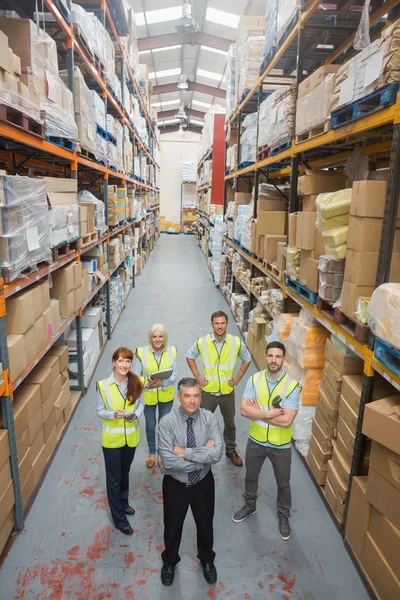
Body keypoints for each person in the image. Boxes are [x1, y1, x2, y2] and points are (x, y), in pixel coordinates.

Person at [232, 341, 301, 541]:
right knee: (251, 476)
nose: (273, 360)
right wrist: (270, 413)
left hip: (280, 446)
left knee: (283, 483)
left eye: (278, 356)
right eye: (270, 356)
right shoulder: (255, 380)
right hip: (256, 441)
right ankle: (250, 505)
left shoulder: (291, 386)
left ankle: (283, 516)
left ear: (284, 360)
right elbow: (244, 410)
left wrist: (259, 413)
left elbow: (287, 421)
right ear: (265, 357)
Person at [158, 377, 223, 587]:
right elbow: (168, 462)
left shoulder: (209, 419)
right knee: (172, 526)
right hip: (176, 485)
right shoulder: (167, 423)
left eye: (196, 396)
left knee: (205, 525)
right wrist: (202, 456)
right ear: (179, 397)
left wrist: (183, 453)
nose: (192, 401)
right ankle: (169, 561)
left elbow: (217, 453)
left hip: (203, 485)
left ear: (201, 397)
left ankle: (207, 560)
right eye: (187, 396)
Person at [186, 310, 251, 467]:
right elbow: (190, 356)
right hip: (208, 392)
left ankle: (231, 450)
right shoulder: (202, 342)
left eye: (222, 323)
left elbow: (247, 359)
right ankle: (199, 450)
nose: (220, 326)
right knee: (200, 422)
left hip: (227, 393)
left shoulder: (236, 342)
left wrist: (237, 378)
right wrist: (198, 377)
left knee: (230, 423)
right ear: (212, 324)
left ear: (227, 324)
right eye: (217, 323)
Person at [96, 347, 144, 535]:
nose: (124, 365)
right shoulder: (102, 386)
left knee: (125, 473)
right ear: (113, 362)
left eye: (127, 361)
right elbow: (99, 411)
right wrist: (112, 414)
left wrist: (135, 415)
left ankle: (124, 503)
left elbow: (141, 405)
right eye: (120, 361)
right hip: (112, 441)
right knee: (114, 479)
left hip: (130, 438)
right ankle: (119, 519)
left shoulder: (137, 381)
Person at [134, 324, 177, 469]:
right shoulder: (141, 352)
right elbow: (135, 377)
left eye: (160, 336)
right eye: (154, 336)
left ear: (164, 337)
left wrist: (162, 383)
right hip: (148, 396)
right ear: (150, 338)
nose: (157, 339)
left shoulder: (172, 351)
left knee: (164, 426)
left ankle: (161, 454)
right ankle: (152, 453)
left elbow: (175, 375)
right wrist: (147, 384)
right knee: (151, 425)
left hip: (166, 395)